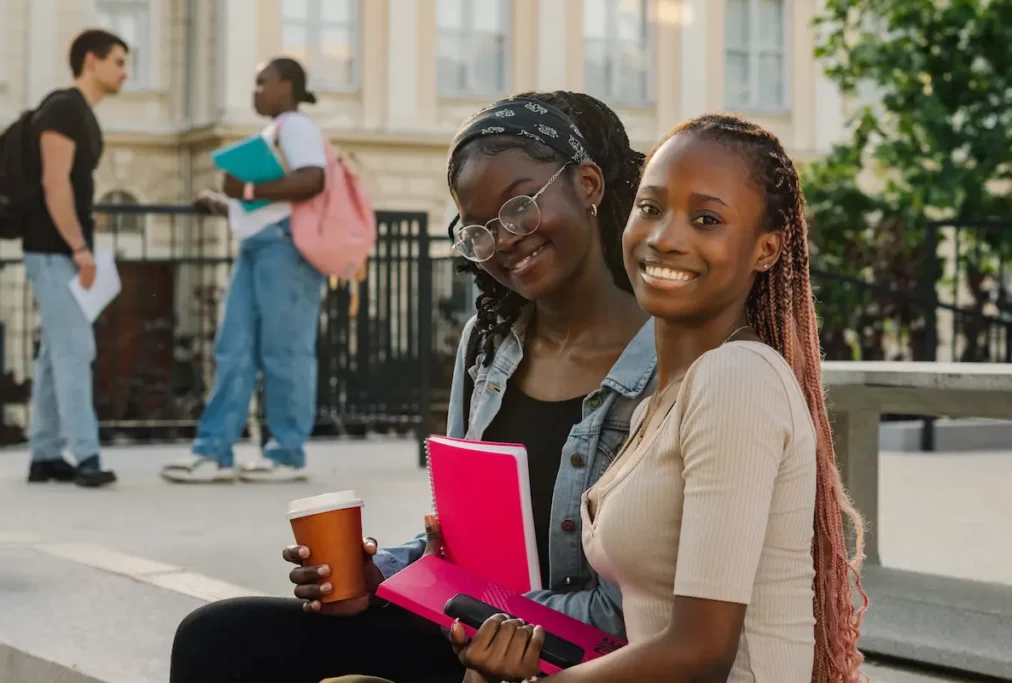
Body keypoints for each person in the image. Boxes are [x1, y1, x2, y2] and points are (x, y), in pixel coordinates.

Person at [168, 91, 656, 683]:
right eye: (478, 230)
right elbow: (464, 544)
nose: (504, 240)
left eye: (519, 206)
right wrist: (381, 579)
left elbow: (645, 616)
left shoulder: (667, 359)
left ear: (587, 184)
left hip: (580, 657)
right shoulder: (488, 343)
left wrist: (488, 614)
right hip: (472, 627)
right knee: (218, 637)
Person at [452, 115, 869, 683]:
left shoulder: (737, 380)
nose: (666, 237)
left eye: (706, 219)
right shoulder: (662, 399)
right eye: (650, 208)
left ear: (766, 249)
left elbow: (699, 654)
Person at [160, 58, 328, 484]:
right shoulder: (272, 132)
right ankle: (215, 452)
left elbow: (312, 179)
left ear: (286, 86)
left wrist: (248, 189)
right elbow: (265, 202)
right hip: (258, 246)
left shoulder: (297, 127)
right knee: (232, 348)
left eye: (261, 82)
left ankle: (288, 455)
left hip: (287, 249)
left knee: (284, 352)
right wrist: (224, 202)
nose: (254, 91)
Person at [24, 28, 129, 488]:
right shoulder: (64, 108)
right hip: (53, 251)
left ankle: (45, 455)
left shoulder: (79, 112)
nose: (126, 72)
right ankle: (85, 455)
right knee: (74, 350)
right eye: (119, 61)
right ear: (92, 61)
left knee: (54, 354)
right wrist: (80, 249)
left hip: (59, 250)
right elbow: (55, 182)